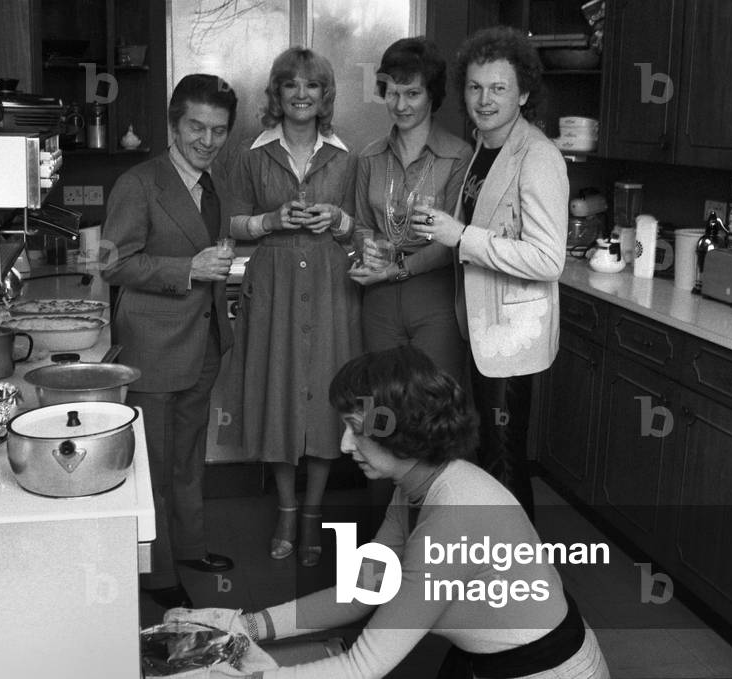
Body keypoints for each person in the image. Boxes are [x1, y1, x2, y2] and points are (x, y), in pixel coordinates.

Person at [166, 346, 610, 679]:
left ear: (407, 432)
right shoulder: (417, 485)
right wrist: (248, 626)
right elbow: (364, 591)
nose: (343, 445)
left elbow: (364, 666)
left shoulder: (456, 514)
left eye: (356, 431)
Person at [413, 26, 569, 520]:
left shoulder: (538, 155)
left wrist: (461, 237)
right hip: (482, 329)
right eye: (475, 87)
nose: (485, 99)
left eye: (499, 88)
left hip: (513, 340)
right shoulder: (484, 146)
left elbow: (548, 259)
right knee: (489, 457)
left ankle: (527, 582)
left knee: (504, 461)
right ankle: (502, 572)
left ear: (523, 92)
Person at [219, 47, 361, 568]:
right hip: (274, 280)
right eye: (290, 85)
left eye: (312, 85)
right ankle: (285, 508)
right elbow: (231, 224)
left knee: (326, 394)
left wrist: (339, 221)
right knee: (278, 393)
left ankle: (312, 514)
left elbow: (364, 230)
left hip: (329, 281)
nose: (301, 94)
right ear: (276, 94)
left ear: (325, 96)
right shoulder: (252, 156)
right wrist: (271, 220)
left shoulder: (348, 157)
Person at [101, 73, 239, 610]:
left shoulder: (213, 184)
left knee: (187, 459)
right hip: (153, 348)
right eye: (196, 128)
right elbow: (114, 264)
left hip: (203, 341)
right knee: (153, 466)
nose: (207, 141)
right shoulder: (140, 183)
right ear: (173, 124)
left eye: (219, 130)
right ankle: (157, 574)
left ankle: (191, 547)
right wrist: (189, 268)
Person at [349, 37, 471, 381]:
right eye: (391, 92)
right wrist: (367, 248)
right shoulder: (369, 156)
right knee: (383, 402)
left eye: (412, 93)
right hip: (379, 302)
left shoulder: (459, 156)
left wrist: (395, 270)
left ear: (432, 95)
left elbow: (452, 242)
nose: (400, 104)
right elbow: (361, 224)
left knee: (434, 407)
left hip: (435, 299)